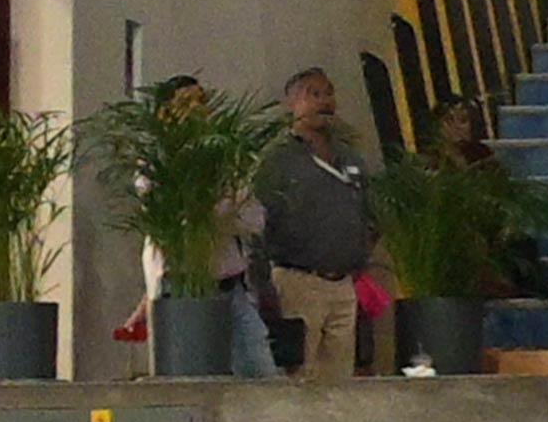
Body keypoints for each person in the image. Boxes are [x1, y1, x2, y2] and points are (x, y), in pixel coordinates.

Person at [116, 77, 279, 380]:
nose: (198, 109)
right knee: (192, 379)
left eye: (202, 101)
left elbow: (255, 220)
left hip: (231, 288)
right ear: (165, 113)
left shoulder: (227, 159)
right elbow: (177, 224)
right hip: (181, 294)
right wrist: (226, 207)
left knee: (261, 374)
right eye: (186, 102)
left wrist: (224, 209)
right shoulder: (156, 166)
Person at [256, 68, 374, 382]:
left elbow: (368, 211)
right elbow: (260, 219)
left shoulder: (350, 158)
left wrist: (360, 257)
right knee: (300, 378)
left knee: (339, 380)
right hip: (298, 281)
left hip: (344, 285)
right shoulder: (277, 159)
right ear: (291, 104)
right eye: (314, 94)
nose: (324, 102)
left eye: (329, 93)